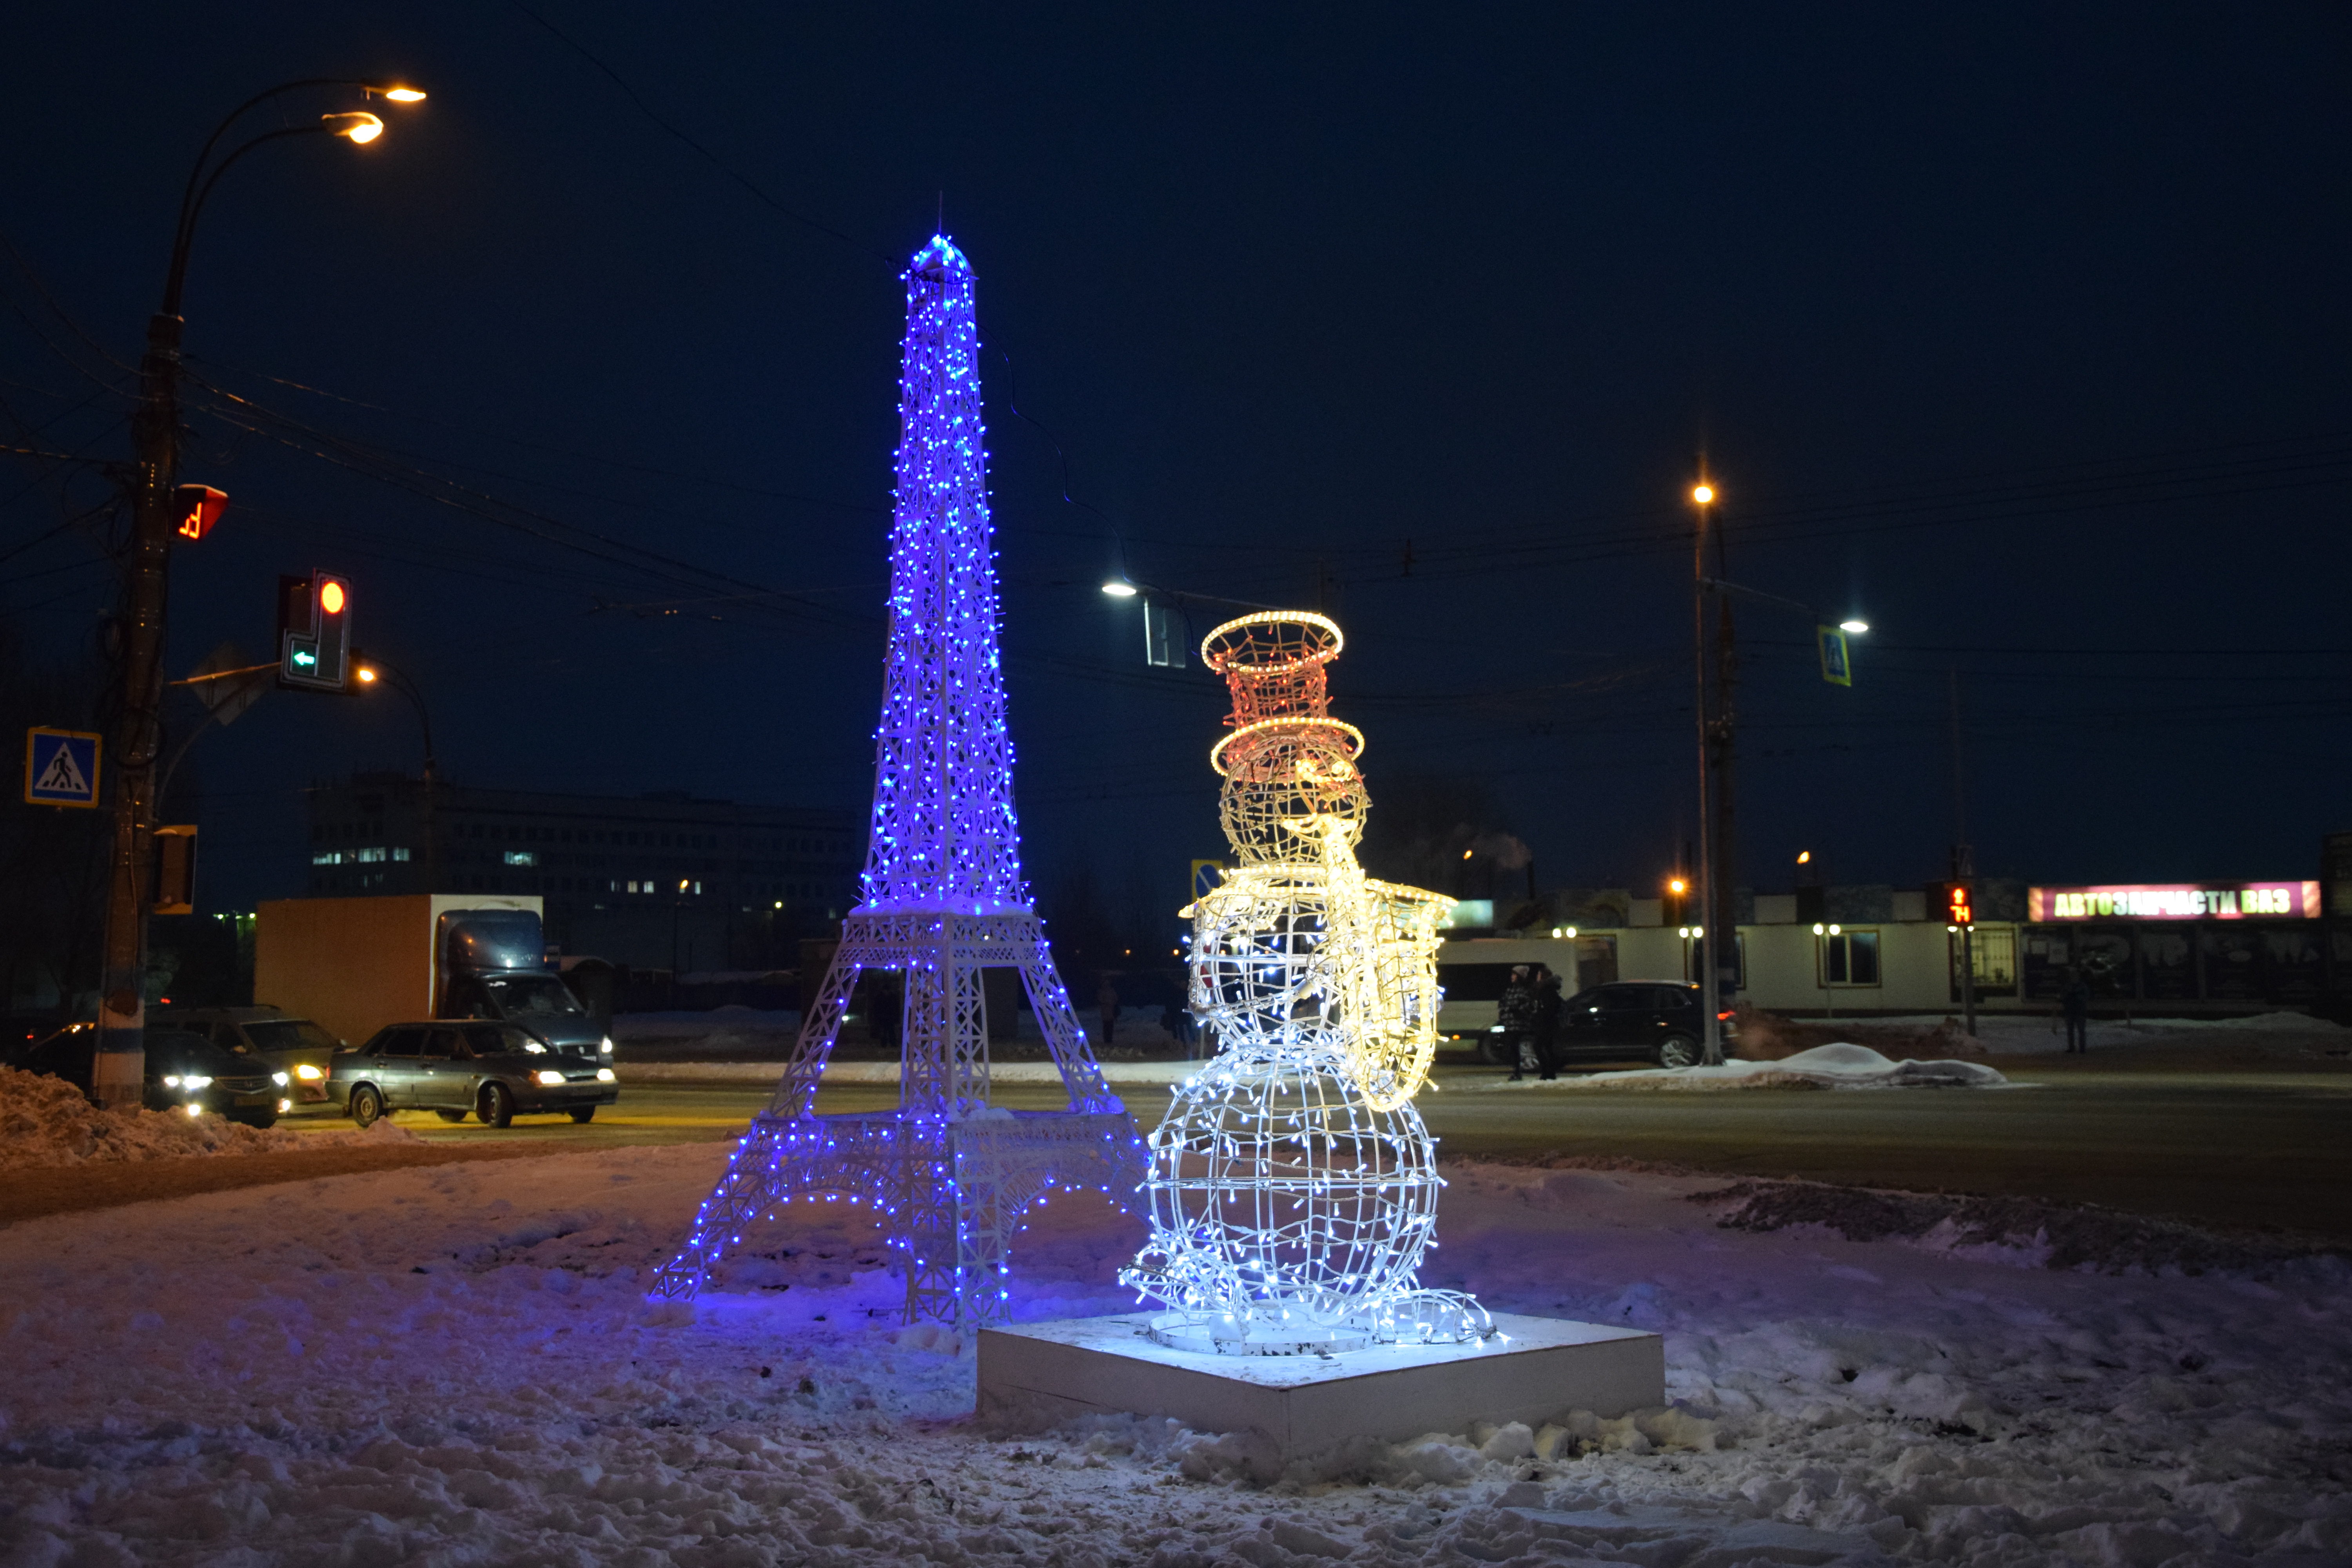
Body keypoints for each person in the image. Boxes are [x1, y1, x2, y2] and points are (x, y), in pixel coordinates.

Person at [1496, 964, 1536, 1080]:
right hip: (1509, 1024)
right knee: (1512, 1048)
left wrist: (1518, 1011)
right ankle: (1516, 1071)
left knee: (1516, 1048)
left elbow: (1529, 1006)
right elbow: (1503, 1004)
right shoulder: (1510, 990)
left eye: (1514, 975)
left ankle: (1518, 1071)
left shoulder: (1525, 990)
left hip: (1519, 1025)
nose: (1512, 977)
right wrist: (1504, 1014)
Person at [1532, 964, 1564, 1081]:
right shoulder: (1546, 989)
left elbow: (1549, 1009)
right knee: (1547, 1048)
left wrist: (1540, 1017)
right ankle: (1549, 1073)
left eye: (1539, 975)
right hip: (1546, 1024)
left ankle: (1547, 1072)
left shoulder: (1547, 991)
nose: (1537, 977)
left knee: (1539, 1047)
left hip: (1546, 1025)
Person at [2061, 969, 2092, 1055]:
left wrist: (2075, 996)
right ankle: (2073, 1048)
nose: (2074, 978)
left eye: (2076, 976)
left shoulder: (2082, 987)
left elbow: (2086, 997)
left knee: (2081, 1031)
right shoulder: (2068, 987)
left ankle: (2081, 1048)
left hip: (2079, 1012)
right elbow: (2063, 997)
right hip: (2071, 1012)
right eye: (2073, 976)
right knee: (2071, 1031)